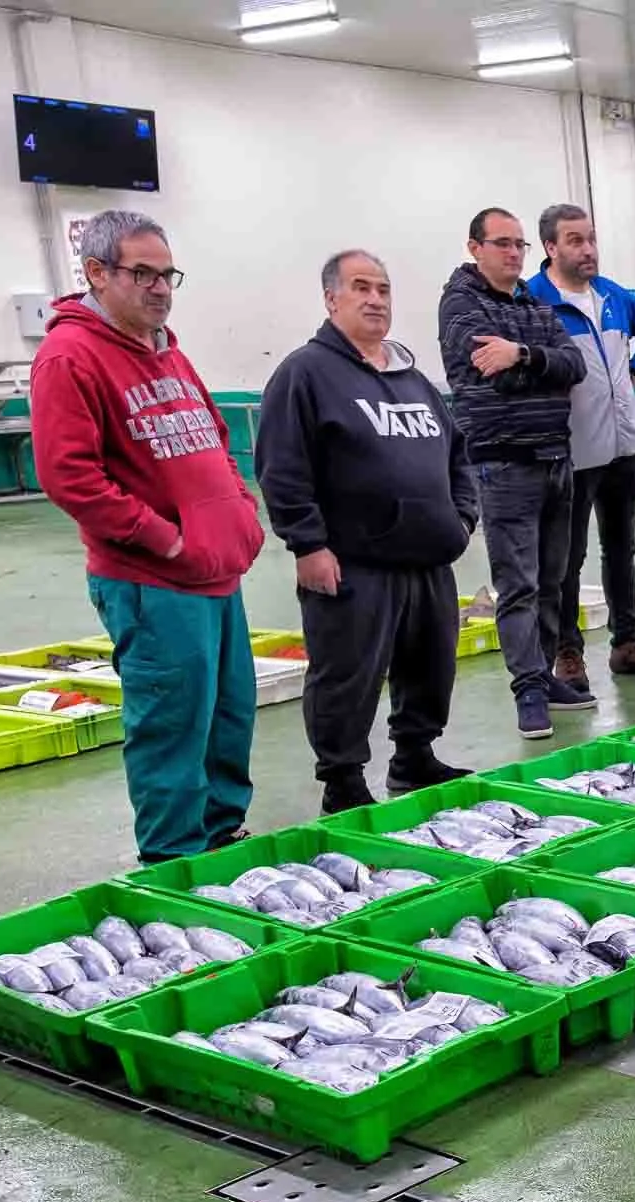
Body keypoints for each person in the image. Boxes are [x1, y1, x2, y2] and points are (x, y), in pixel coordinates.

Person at [31, 209, 265, 863]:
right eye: (144, 274)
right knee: (172, 728)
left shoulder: (170, 349)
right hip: (153, 581)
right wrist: (162, 538)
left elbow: (215, 439)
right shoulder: (69, 357)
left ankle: (221, 843)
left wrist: (240, 515)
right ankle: (171, 867)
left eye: (168, 275)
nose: (160, 288)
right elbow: (69, 476)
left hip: (217, 575)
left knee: (228, 718)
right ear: (98, 273)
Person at [254, 251, 479, 812]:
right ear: (332, 299)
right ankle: (343, 780)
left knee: (430, 665)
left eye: (383, 289)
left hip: (428, 557)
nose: (376, 299)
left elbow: (457, 453)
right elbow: (282, 465)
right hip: (353, 562)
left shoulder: (412, 377)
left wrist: (461, 519)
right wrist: (307, 543)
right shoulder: (304, 373)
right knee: (346, 675)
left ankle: (414, 756)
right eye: (361, 288)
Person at [439, 206, 586, 739]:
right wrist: (541, 366)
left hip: (555, 460)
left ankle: (545, 677)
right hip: (504, 466)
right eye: (502, 243)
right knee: (518, 585)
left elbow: (576, 365)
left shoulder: (532, 302)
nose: (513, 253)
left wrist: (523, 353)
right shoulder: (460, 305)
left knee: (552, 581)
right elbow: (494, 377)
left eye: (520, 245)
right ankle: (527, 689)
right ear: (474, 246)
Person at [526, 203, 635, 687]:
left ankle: (627, 641)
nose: (588, 249)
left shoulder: (614, 296)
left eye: (591, 238)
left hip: (620, 447)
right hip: (569, 453)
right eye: (575, 240)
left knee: (621, 547)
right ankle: (568, 653)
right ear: (551, 247)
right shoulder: (533, 303)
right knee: (567, 559)